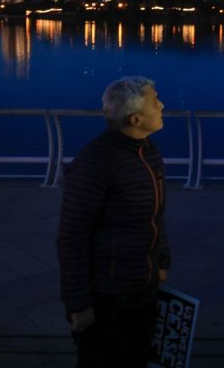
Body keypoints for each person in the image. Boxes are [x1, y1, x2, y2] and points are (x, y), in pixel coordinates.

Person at [56, 76, 171, 368]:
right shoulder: (96, 163)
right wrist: (79, 305)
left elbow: (155, 216)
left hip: (142, 291)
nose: (162, 106)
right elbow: (71, 237)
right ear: (135, 118)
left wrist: (161, 263)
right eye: (155, 102)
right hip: (108, 297)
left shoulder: (148, 152)